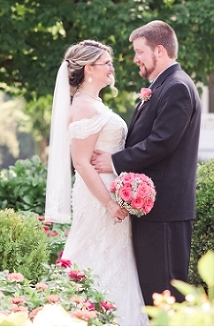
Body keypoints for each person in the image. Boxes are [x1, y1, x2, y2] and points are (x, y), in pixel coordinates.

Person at [91, 20, 201, 306]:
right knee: (153, 292)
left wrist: (114, 161)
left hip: (165, 209)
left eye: (140, 51)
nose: (135, 58)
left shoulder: (176, 87)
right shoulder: (162, 86)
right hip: (153, 209)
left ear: (160, 51)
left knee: (165, 296)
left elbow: (161, 143)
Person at [44, 40, 148, 326]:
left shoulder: (94, 104)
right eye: (107, 64)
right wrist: (109, 202)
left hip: (109, 190)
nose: (112, 69)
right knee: (93, 254)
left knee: (114, 257)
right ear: (89, 69)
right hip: (99, 196)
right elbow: (80, 161)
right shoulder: (84, 108)